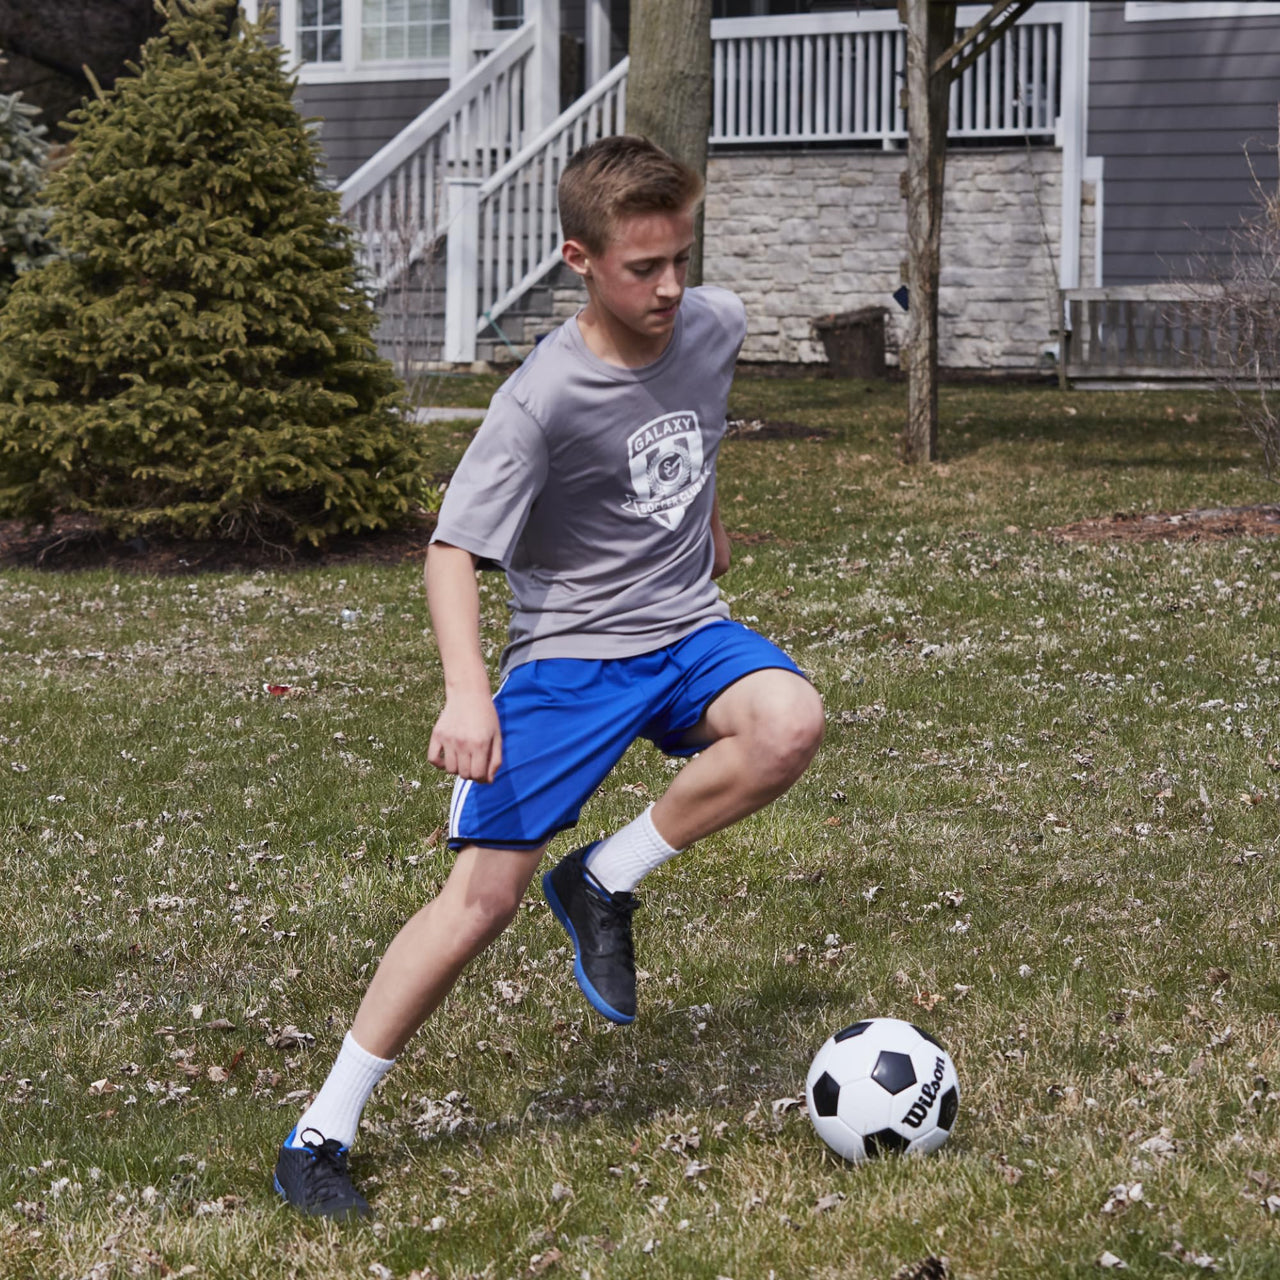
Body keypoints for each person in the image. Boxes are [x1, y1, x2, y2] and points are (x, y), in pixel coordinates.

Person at [273, 135, 824, 1219]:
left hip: (685, 628)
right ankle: (320, 1131)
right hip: (570, 653)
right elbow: (449, 551)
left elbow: (695, 424)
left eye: (680, 259)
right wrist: (467, 693)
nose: (669, 288)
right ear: (580, 258)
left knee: (789, 720)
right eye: (642, 268)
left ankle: (605, 877)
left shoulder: (713, 324)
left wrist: (706, 518)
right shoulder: (539, 400)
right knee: (480, 901)